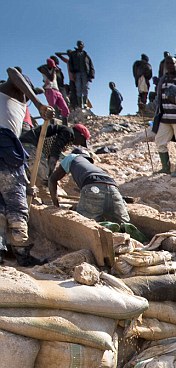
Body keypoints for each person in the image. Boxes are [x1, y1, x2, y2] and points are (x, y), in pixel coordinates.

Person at [0, 67, 53, 264]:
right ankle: (21, 252)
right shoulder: (14, 91)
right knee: (16, 202)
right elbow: (12, 71)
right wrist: (39, 105)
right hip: (5, 149)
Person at [48, 148, 129, 225]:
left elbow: (52, 179)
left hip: (92, 185)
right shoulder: (95, 169)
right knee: (124, 223)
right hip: (113, 187)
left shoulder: (71, 157)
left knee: (84, 223)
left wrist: (56, 205)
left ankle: (105, 226)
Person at [56, 41, 94, 110]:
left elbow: (90, 64)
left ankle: (84, 103)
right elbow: (58, 54)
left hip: (82, 74)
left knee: (84, 88)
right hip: (75, 76)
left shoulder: (85, 56)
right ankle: (78, 105)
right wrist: (67, 53)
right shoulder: (71, 59)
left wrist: (91, 75)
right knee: (77, 90)